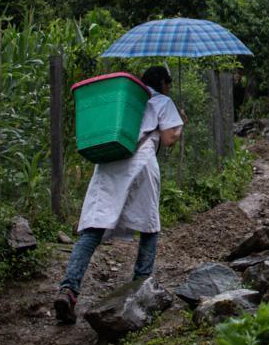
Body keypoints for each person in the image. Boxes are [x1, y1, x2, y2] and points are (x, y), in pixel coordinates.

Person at [54, 65, 183, 324]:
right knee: (149, 227)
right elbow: (169, 139)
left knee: (94, 226)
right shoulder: (162, 101)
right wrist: (179, 124)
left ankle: (68, 290)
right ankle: (141, 288)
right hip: (142, 164)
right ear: (162, 83)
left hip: (109, 162)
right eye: (168, 84)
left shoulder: (125, 97)